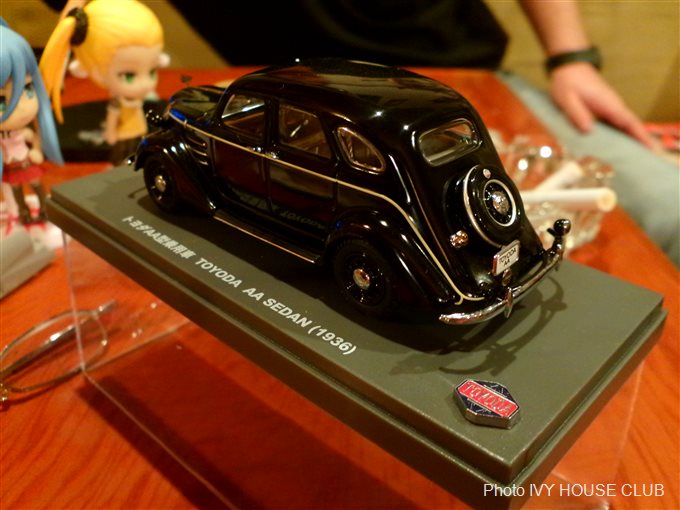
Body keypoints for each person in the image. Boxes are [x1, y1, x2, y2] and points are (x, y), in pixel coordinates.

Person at [39, 0, 167, 165]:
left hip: (140, 132)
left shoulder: (137, 99)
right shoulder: (117, 102)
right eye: (129, 76)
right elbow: (113, 119)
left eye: (152, 71)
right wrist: (111, 134)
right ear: (94, 71)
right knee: (122, 160)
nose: (145, 84)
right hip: (124, 136)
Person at [0, 19, 63, 224]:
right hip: (10, 167)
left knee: (36, 184)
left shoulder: (21, 132)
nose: (22, 108)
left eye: (28, 89)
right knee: (16, 189)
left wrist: (36, 149)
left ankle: (45, 208)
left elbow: (31, 136)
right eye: (2, 101)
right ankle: (22, 212)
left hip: (25, 161)